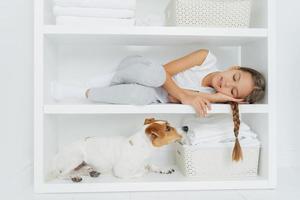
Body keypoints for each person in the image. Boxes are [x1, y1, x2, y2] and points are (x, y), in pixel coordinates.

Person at [52, 49, 265, 117]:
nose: (226, 84)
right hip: (140, 70)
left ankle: (86, 92)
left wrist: (213, 97)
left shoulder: (210, 99)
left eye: (231, 90)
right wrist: (185, 96)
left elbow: (171, 97)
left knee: (144, 98)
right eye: (234, 78)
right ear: (234, 68)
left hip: (150, 93)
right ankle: (112, 79)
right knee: (156, 76)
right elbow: (165, 72)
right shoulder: (205, 58)